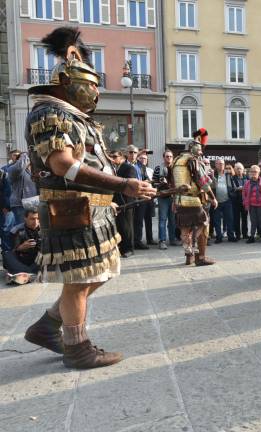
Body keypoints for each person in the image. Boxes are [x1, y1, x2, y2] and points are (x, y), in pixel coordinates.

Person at [22, 27, 155, 369]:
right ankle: (77, 347)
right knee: (79, 281)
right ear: (69, 82)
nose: (96, 90)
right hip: (69, 211)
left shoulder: (75, 117)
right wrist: (122, 186)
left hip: (91, 210)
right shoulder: (49, 112)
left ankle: (48, 326)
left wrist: (106, 197)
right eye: (92, 84)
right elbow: (62, 165)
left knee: (97, 273)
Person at [170, 128, 217, 266]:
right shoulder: (192, 160)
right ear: (191, 147)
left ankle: (188, 257)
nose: (201, 149)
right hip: (193, 199)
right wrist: (212, 197)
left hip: (180, 200)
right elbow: (202, 181)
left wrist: (174, 199)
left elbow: (173, 183)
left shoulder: (177, 160)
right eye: (198, 146)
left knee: (185, 228)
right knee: (204, 223)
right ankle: (198, 255)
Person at [114, 145, 142, 256]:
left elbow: (133, 184)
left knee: (127, 225)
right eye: (112, 156)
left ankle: (129, 249)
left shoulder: (129, 167)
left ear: (121, 156)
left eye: (115, 156)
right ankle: (121, 247)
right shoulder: (116, 167)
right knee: (120, 225)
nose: (113, 158)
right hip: (116, 200)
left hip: (127, 200)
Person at [2, 209, 41, 284]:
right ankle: (28, 274)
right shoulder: (16, 230)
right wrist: (20, 247)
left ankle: (20, 274)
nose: (35, 222)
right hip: (22, 259)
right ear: (25, 218)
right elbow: (11, 250)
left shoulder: (44, 229)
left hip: (37, 260)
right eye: (32, 219)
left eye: (38, 219)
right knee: (6, 254)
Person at [153, 150, 178, 249]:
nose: (169, 158)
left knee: (172, 220)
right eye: (167, 156)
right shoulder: (158, 168)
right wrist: (161, 183)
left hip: (173, 197)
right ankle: (162, 241)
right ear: (163, 157)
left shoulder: (176, 168)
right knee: (162, 219)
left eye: (170, 156)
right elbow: (153, 183)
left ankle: (172, 239)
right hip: (163, 197)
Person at [6, 152, 38, 224]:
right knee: (22, 228)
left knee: (33, 228)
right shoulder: (12, 169)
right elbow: (19, 168)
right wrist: (25, 154)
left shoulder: (31, 170)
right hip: (20, 205)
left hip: (33, 204)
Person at [243, 164, 261, 244]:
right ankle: (252, 237)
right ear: (250, 173)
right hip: (251, 204)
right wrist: (245, 202)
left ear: (259, 172)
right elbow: (244, 194)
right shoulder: (247, 183)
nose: (253, 173)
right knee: (253, 221)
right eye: (252, 171)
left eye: (255, 172)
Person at [134, 152, 155, 246]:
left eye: (145, 159)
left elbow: (154, 182)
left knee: (149, 220)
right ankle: (138, 240)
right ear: (138, 159)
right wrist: (144, 182)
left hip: (150, 198)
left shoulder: (150, 170)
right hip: (141, 197)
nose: (143, 160)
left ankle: (150, 239)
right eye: (141, 158)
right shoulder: (136, 168)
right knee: (139, 220)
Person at [211, 159, 235, 243]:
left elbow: (233, 184)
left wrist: (232, 192)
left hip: (227, 200)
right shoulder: (213, 174)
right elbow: (210, 185)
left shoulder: (228, 174)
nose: (221, 165)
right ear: (215, 165)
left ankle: (231, 236)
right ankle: (219, 237)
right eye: (219, 164)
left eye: (222, 164)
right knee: (217, 220)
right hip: (216, 201)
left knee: (230, 219)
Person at [231, 162, 249, 241]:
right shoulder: (232, 178)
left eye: (240, 168)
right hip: (236, 201)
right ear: (234, 170)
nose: (239, 170)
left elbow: (248, 188)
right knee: (236, 219)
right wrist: (240, 188)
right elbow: (232, 189)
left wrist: (239, 188)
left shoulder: (247, 177)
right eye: (237, 169)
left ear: (243, 169)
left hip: (245, 201)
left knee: (245, 218)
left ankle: (245, 234)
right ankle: (237, 234)